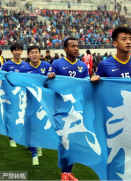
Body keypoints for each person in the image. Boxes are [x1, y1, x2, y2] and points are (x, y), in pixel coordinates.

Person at [47, 37, 88, 181]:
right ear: (65, 49)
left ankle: (68, 172)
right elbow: (47, 81)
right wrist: (50, 76)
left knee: (74, 140)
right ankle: (64, 172)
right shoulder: (57, 63)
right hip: (61, 109)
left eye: (77, 46)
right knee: (64, 140)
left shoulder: (83, 66)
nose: (76, 48)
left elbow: (86, 85)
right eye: (72, 46)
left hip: (77, 108)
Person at [19, 45, 50, 166]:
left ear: (39, 54)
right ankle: (34, 154)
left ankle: (39, 144)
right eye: (31, 53)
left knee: (42, 125)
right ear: (28, 55)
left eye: (36, 52)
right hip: (30, 101)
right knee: (31, 126)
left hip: (44, 101)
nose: (34, 54)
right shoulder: (24, 69)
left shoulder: (47, 66)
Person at [1, 43, 27, 147]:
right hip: (10, 95)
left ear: (21, 51)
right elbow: (0, 77)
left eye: (19, 50)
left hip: (22, 95)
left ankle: (24, 138)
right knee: (11, 116)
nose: (17, 52)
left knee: (23, 116)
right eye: (15, 50)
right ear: (12, 52)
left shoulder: (25, 65)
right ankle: (11, 137)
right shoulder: (6, 65)